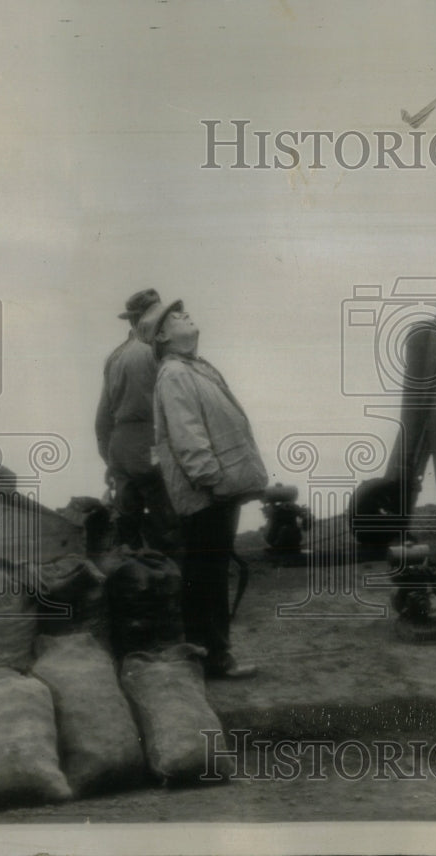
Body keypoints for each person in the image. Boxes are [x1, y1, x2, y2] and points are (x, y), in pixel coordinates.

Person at [138, 299, 267, 679]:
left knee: (206, 574)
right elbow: (188, 439)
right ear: (161, 335)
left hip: (215, 491)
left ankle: (208, 654)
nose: (185, 315)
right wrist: (215, 481)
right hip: (208, 493)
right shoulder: (176, 374)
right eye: (174, 316)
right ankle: (213, 658)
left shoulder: (193, 368)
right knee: (207, 579)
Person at [95, 289, 179, 552]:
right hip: (151, 441)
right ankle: (173, 582)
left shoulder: (115, 357)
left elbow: (102, 419)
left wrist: (112, 460)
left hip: (120, 445)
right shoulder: (159, 350)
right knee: (167, 521)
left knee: (126, 526)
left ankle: (134, 583)